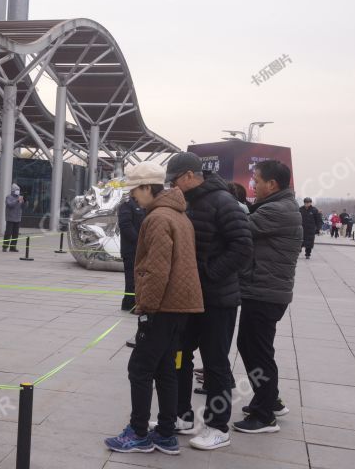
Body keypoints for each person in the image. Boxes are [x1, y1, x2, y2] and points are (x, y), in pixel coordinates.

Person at [105, 161, 203, 456]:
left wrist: (145, 307)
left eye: (135, 190)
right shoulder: (178, 214)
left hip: (162, 306)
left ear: (148, 187)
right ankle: (165, 433)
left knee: (140, 367)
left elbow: (157, 270)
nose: (133, 196)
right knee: (165, 369)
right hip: (179, 306)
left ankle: (137, 433)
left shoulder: (158, 218)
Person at [166, 153, 253, 450]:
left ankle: (218, 427)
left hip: (218, 299)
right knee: (180, 354)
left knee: (215, 363)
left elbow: (243, 247)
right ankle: (181, 414)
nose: (173, 186)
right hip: (190, 297)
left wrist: (209, 274)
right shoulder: (187, 202)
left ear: (190, 175)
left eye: (175, 180)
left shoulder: (223, 201)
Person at [233, 160, 302, 434]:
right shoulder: (278, 206)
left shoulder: (277, 210)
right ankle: (269, 400)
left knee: (257, 351)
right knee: (253, 347)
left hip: (265, 292)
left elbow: (240, 227)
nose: (253, 185)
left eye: (257, 180)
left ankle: (264, 416)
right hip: (263, 290)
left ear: (272, 184)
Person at [118, 194, 145, 311]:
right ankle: (129, 303)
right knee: (131, 279)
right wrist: (139, 241)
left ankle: (132, 302)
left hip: (141, 249)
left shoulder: (143, 204)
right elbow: (125, 226)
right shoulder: (127, 205)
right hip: (131, 249)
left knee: (139, 278)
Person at [3, 184, 23, 252]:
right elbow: (9, 205)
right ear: (13, 190)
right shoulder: (9, 197)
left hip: (18, 218)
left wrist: (24, 202)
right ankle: (5, 246)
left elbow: (22, 207)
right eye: (17, 190)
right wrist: (17, 201)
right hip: (10, 218)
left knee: (15, 233)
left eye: (19, 190)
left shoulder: (19, 197)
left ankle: (13, 247)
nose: (18, 191)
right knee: (8, 233)